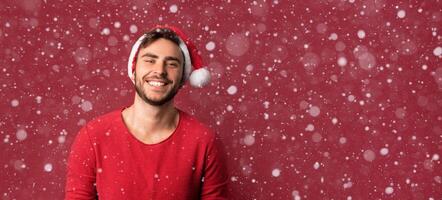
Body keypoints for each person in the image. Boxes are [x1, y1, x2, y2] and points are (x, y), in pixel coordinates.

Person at [65, 25, 229, 199]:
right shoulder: (93, 137)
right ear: (134, 69)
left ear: (183, 77)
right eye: (150, 60)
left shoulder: (205, 142)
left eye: (172, 63)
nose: (159, 71)